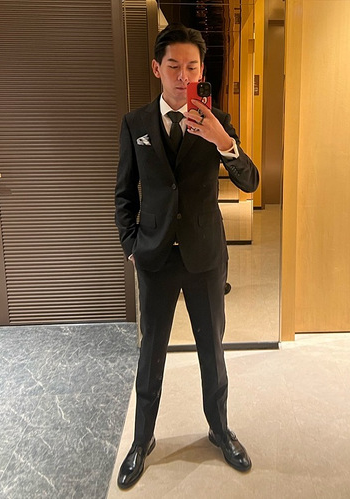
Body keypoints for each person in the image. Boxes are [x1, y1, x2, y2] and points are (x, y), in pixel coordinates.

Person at [114, 24, 259, 490]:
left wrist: (223, 141)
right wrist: (131, 246)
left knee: (212, 350)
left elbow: (250, 182)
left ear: (201, 71)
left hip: (204, 256)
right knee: (151, 353)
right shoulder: (135, 123)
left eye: (192, 67)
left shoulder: (217, 119)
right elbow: (123, 195)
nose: (183, 76)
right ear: (157, 69)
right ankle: (142, 441)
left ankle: (220, 430)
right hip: (154, 257)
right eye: (174, 66)